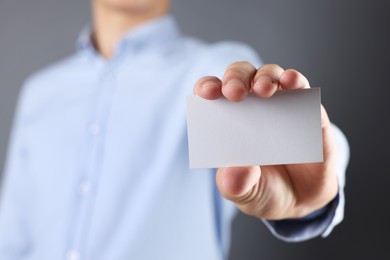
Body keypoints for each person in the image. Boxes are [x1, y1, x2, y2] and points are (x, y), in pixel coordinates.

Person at [0, 0, 349, 259]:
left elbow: (315, 140)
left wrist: (317, 186)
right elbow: (11, 241)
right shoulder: (39, 94)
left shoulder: (209, 73)